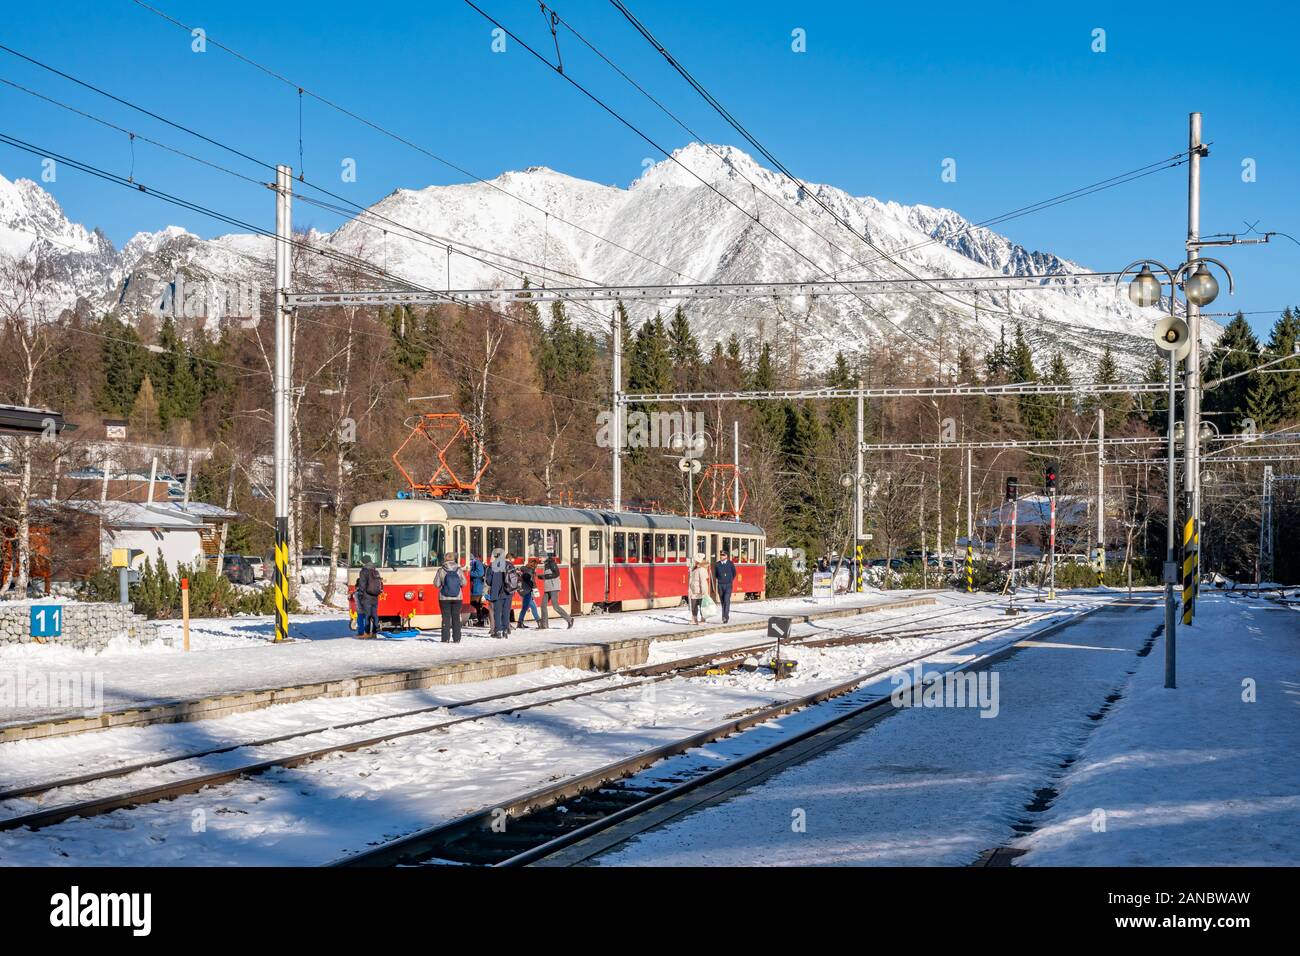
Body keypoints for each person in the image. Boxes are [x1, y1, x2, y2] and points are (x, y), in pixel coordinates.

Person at [433, 554, 465, 644]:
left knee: (446, 617)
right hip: (457, 597)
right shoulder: (459, 570)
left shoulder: (441, 570)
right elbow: (464, 583)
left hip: (444, 598)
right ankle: (457, 638)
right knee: (456, 617)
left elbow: (436, 584)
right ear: (454, 559)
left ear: (444, 559)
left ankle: (445, 638)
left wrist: (443, 585)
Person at [539, 550, 573, 629]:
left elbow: (556, 574)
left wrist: (545, 577)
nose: (539, 559)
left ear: (544, 557)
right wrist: (542, 576)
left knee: (555, 606)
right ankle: (544, 625)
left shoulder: (551, 563)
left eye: (540, 557)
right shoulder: (546, 564)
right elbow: (548, 575)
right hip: (548, 588)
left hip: (554, 587)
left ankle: (569, 619)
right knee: (543, 605)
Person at [487, 548, 513, 638]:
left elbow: (489, 581)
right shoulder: (509, 565)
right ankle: (505, 630)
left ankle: (498, 631)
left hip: (497, 593)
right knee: (506, 612)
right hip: (508, 592)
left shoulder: (492, 566)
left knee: (497, 612)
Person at [354, 556, 383, 638]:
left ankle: (366, 633)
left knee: (367, 615)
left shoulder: (364, 571)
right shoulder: (375, 571)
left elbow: (362, 584)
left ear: (364, 562)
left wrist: (360, 594)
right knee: (374, 614)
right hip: (375, 595)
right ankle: (374, 633)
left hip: (367, 596)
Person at [516, 557, 542, 629]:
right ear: (534, 565)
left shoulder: (524, 569)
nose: (537, 567)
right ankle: (539, 622)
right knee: (533, 606)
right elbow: (532, 582)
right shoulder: (530, 571)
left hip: (521, 590)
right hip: (527, 591)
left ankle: (519, 623)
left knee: (525, 607)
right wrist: (535, 589)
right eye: (536, 565)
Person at [713, 548, 736, 624]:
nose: (721, 556)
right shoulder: (717, 564)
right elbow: (716, 574)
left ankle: (725, 617)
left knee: (726, 600)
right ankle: (725, 615)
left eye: (723, 555)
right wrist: (721, 579)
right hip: (720, 585)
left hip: (728, 585)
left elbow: (734, 573)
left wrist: (729, 580)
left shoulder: (730, 563)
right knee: (723, 601)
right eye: (721, 555)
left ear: (726, 556)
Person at [688, 553, 712, 624]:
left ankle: (703, 619)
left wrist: (704, 591)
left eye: (695, 560)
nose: (694, 561)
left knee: (702, 606)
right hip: (694, 590)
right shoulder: (695, 568)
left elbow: (703, 581)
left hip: (700, 591)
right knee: (694, 606)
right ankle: (694, 619)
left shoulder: (701, 569)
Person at [468, 552, 488, 627]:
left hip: (478, 587)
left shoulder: (477, 563)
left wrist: (469, 572)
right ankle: (482, 618)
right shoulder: (475, 563)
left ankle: (485, 614)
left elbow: (480, 573)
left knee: (474, 603)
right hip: (476, 586)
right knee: (477, 604)